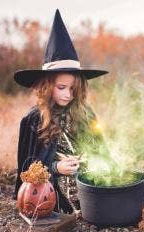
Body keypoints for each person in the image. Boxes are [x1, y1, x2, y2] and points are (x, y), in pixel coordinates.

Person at [12, 9, 108, 213]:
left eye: (73, 89)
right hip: (53, 193)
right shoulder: (34, 118)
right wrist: (56, 168)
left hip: (91, 183)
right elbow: (27, 167)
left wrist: (92, 161)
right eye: (61, 88)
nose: (67, 95)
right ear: (47, 86)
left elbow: (100, 148)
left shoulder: (85, 111)